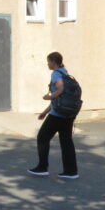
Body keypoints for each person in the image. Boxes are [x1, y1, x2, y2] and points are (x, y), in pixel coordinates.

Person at [28, 51, 79, 179]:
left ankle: (42, 167)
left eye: (49, 61)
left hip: (58, 115)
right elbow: (61, 98)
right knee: (66, 142)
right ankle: (71, 171)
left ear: (53, 62)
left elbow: (60, 90)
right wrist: (45, 112)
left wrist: (48, 97)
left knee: (42, 137)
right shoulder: (65, 72)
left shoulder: (56, 74)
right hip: (68, 113)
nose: (47, 64)